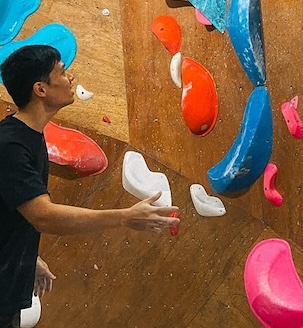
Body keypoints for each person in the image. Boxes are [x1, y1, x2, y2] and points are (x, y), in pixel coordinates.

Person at [0, 45, 180, 328]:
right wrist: (124, 217)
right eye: (61, 72)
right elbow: (42, 215)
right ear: (41, 89)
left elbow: (11, 209)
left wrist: (28, 257)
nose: (70, 78)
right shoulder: (11, 144)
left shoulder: (26, 136)